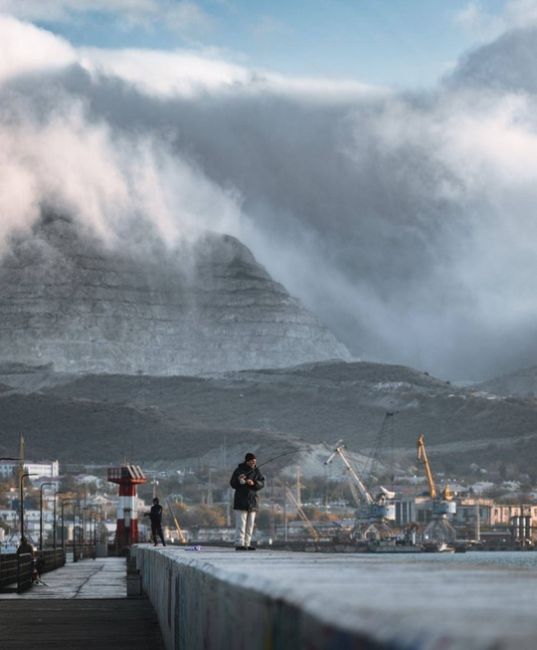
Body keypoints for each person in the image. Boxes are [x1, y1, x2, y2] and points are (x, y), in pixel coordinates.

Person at [229, 452, 264, 551]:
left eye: (255, 461)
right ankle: (239, 543)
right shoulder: (238, 470)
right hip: (241, 501)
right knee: (241, 523)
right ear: (247, 461)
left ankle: (247, 543)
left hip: (253, 501)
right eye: (252, 461)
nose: (254, 463)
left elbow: (262, 483)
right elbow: (232, 483)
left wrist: (254, 483)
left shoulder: (257, 471)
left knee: (250, 525)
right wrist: (240, 481)